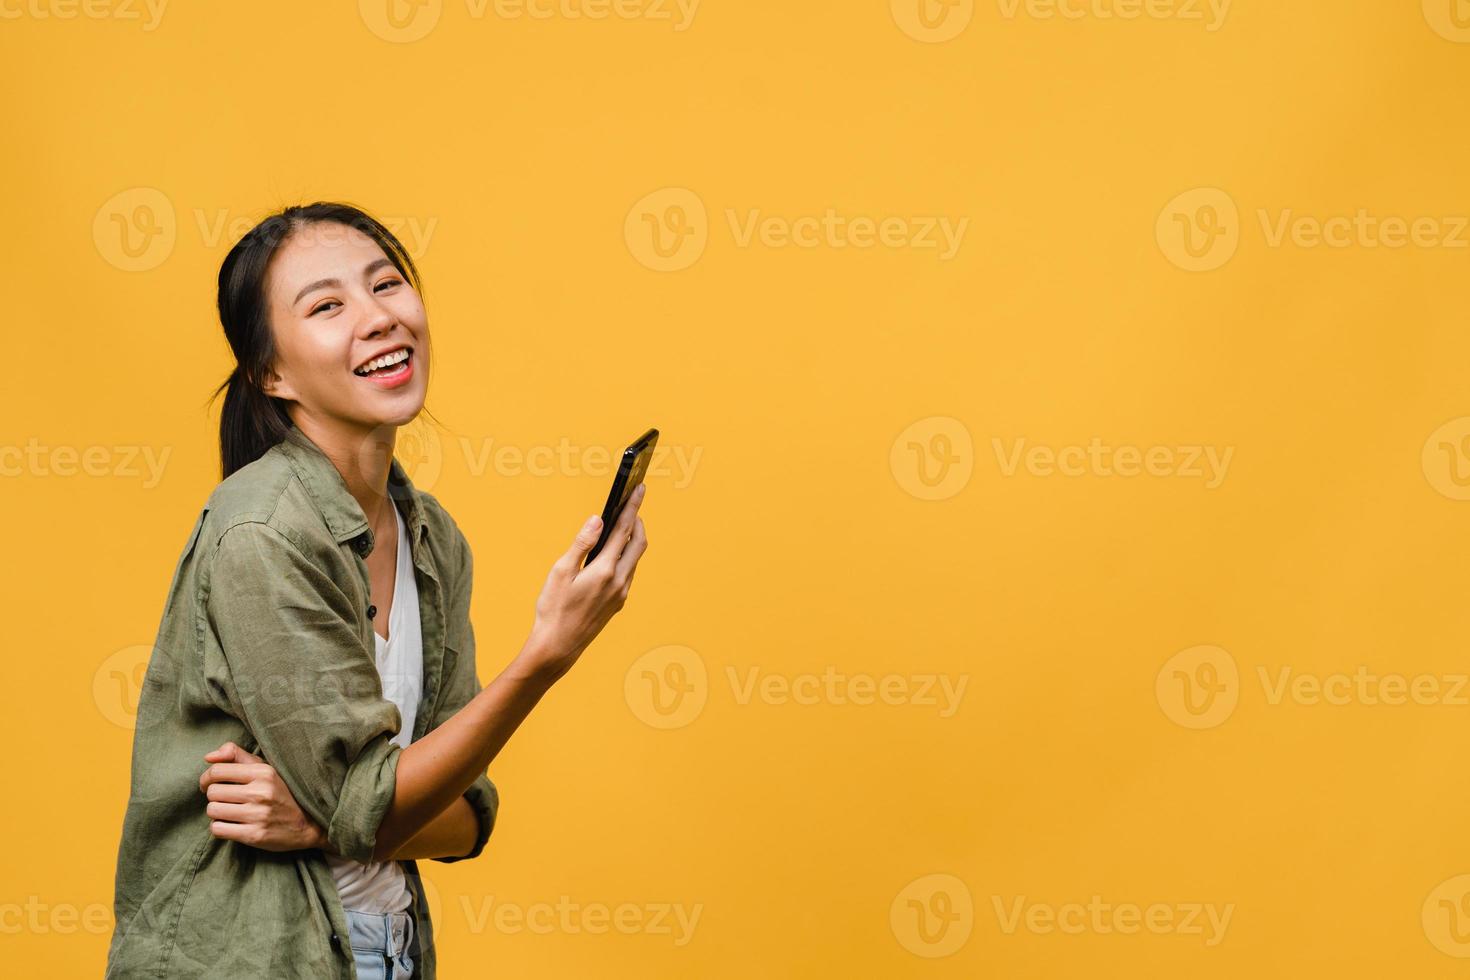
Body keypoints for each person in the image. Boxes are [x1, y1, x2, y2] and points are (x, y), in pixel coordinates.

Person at [105, 202, 650, 978]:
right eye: (327, 306)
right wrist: (546, 654)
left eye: (386, 285)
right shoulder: (261, 533)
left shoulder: (432, 536)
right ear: (271, 373)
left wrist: (325, 821)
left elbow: (464, 819)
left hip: (386, 952)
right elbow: (377, 807)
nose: (378, 319)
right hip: (250, 959)